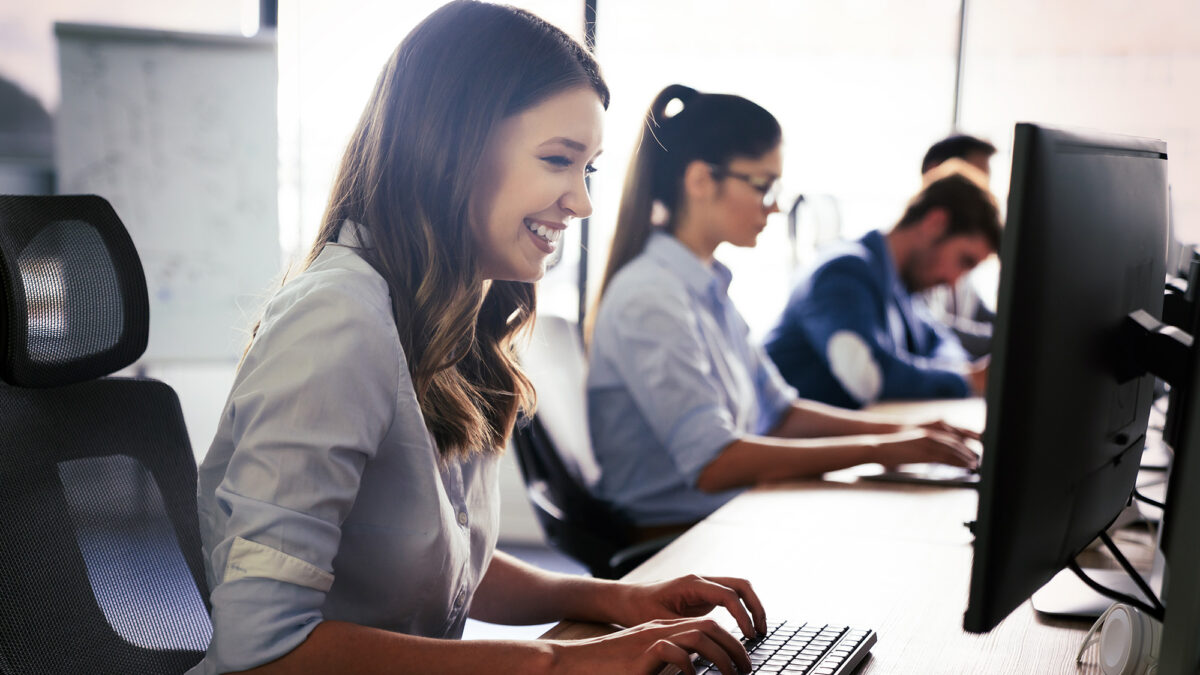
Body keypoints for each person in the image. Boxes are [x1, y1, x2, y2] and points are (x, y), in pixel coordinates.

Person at [189, 5, 770, 674]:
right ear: (450, 147)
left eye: (589, 170)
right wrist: (558, 661)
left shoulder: (451, 319)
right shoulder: (335, 324)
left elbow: (450, 564)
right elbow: (261, 650)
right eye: (558, 160)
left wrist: (622, 600)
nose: (580, 203)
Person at [586, 84, 980, 532]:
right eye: (763, 185)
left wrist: (906, 435)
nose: (774, 206)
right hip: (677, 538)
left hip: (728, 515)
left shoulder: (706, 287)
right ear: (700, 181)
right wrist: (879, 451)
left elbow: (781, 414)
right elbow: (714, 463)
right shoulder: (651, 297)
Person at [764, 162, 1001, 410]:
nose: (954, 281)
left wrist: (957, 374)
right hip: (793, 445)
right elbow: (869, 377)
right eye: (964, 261)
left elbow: (945, 345)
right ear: (935, 223)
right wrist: (967, 379)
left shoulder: (902, 288)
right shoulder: (843, 272)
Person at [919, 134, 999, 357]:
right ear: (936, 172)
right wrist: (1005, 343)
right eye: (974, 182)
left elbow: (984, 317)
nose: (982, 198)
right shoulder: (912, 258)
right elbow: (931, 329)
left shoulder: (959, 253)